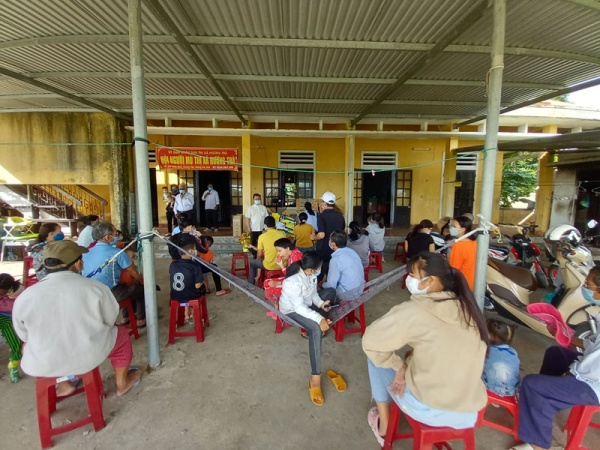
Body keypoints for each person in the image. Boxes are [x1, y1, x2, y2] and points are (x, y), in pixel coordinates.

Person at [362, 252, 489, 446]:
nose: (409, 280)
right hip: (469, 409)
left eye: (413, 276)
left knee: (374, 356)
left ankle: (384, 426)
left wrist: (400, 366)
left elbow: (370, 340)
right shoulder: (467, 307)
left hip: (430, 409)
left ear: (431, 281)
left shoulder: (415, 310)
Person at [12, 240, 142, 397]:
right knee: (120, 334)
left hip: (43, 362)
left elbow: (24, 335)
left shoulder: (25, 297)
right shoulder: (95, 288)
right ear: (78, 263)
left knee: (29, 345)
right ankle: (122, 383)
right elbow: (110, 319)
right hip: (88, 355)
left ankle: (64, 383)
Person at [512, 267, 600, 450]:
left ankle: (537, 444)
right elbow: (594, 345)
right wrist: (566, 336)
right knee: (556, 353)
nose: (584, 287)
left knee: (532, 384)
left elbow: (594, 365)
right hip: (592, 370)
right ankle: (543, 403)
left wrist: (573, 372)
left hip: (595, 384)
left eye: (588, 285)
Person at [279, 251, 338, 406]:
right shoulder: (292, 281)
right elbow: (298, 307)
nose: (319, 270)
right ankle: (315, 377)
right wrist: (319, 319)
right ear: (314, 268)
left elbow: (313, 295)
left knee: (331, 293)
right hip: (291, 310)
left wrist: (321, 305)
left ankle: (320, 319)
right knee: (315, 329)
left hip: (306, 306)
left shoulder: (311, 275)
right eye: (319, 268)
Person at [82, 222, 146, 328]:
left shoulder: (85, 252)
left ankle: (126, 317)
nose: (118, 237)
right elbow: (133, 271)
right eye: (116, 234)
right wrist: (142, 280)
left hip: (89, 293)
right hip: (109, 294)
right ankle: (140, 319)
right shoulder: (117, 253)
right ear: (108, 237)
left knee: (127, 286)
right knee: (140, 288)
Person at [170, 234, 207, 322]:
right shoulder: (195, 265)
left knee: (186, 288)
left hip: (175, 295)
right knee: (201, 289)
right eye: (194, 249)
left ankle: (186, 313)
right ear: (190, 251)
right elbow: (197, 286)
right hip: (190, 294)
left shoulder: (173, 264)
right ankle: (194, 313)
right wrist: (202, 283)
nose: (195, 251)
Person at [320, 230, 365, 302]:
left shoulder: (335, 260)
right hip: (359, 289)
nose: (329, 241)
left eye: (329, 239)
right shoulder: (352, 252)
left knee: (321, 294)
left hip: (348, 294)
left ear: (333, 244)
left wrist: (321, 285)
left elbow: (331, 285)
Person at [482, 318, 520, 397]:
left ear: (490, 335)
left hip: (492, 389)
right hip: (512, 390)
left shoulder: (486, 351)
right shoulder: (513, 352)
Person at [0, 274, 24, 382]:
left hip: (6, 318)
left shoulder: (4, 296)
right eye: (7, 290)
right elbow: (10, 307)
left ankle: (15, 358)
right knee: (16, 342)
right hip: (5, 321)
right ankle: (14, 363)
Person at [315, 192, 345, 278]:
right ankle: (331, 286)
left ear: (324, 203)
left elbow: (321, 235)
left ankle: (319, 286)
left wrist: (314, 237)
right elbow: (342, 230)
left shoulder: (322, 216)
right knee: (333, 271)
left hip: (323, 248)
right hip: (336, 248)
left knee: (321, 271)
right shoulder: (340, 216)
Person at [248, 216, 285, 286]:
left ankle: (250, 285)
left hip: (269, 265)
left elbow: (259, 255)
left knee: (253, 263)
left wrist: (258, 265)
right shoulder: (282, 234)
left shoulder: (262, 237)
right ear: (275, 224)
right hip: (282, 265)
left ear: (265, 225)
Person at [448, 215, 478, 291]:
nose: (451, 228)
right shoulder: (474, 242)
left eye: (454, 226)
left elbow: (454, 268)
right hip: (473, 281)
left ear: (463, 229)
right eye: (452, 226)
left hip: (462, 283)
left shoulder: (458, 245)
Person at [245, 193, 269, 258]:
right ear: (253, 199)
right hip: (253, 229)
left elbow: (267, 218)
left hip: (262, 229)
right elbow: (247, 218)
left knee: (261, 243)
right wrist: (248, 227)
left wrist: (266, 228)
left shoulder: (263, 208)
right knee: (253, 243)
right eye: (256, 199)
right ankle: (254, 255)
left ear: (260, 199)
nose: (257, 200)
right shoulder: (250, 208)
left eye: (258, 199)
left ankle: (261, 254)